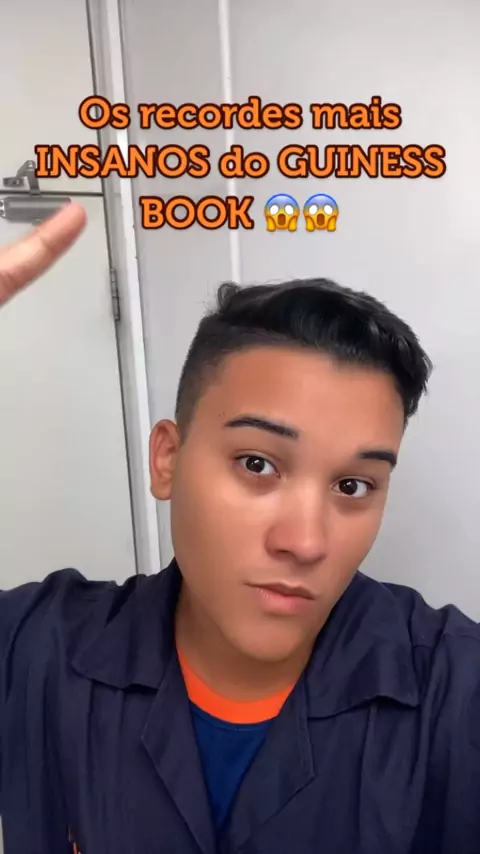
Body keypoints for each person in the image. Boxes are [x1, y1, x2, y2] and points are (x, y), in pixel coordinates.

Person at [1, 203, 479, 854]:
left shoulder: (453, 686)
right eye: (258, 464)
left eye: (352, 486)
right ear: (167, 459)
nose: (305, 542)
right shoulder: (36, 652)